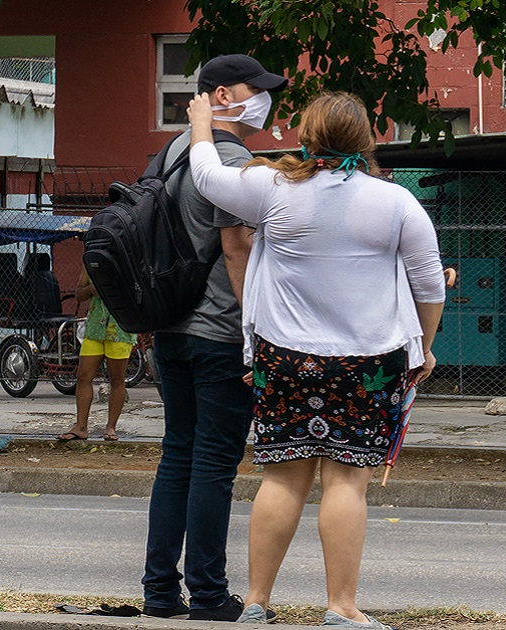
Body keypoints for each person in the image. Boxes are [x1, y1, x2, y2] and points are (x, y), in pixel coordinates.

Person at [185, 91, 445, 629]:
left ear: (306, 136)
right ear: (367, 138)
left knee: (281, 479)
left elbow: (208, 177)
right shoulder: (396, 204)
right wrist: (423, 347)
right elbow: (427, 284)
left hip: (282, 359)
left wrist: (203, 124)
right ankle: (341, 608)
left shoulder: (271, 189)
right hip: (366, 363)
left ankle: (256, 603)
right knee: (347, 482)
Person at [140, 54, 288, 622]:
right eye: (258, 89)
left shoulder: (174, 151)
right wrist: (258, 332)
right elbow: (237, 248)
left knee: (177, 453)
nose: (267, 99)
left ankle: (159, 591)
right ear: (223, 96)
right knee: (215, 462)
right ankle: (206, 592)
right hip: (221, 332)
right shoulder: (231, 159)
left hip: (170, 328)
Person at [57, 270, 131, 442]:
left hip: (120, 327)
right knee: (83, 376)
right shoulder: (90, 260)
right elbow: (79, 294)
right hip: (95, 327)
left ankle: (111, 427)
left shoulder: (128, 255)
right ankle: (81, 427)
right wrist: (91, 288)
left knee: (117, 379)